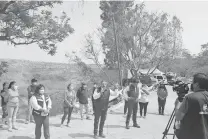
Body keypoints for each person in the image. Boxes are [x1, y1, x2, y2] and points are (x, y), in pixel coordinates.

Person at [175, 73, 208, 139]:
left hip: (190, 134)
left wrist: (177, 104)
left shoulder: (190, 98)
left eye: (193, 82)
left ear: (197, 84)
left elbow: (178, 117)